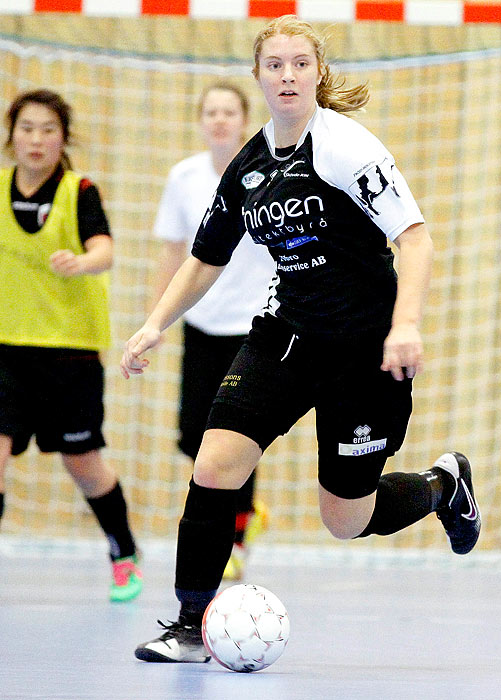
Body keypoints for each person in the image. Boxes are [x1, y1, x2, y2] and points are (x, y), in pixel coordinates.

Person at [125, 15, 481, 664]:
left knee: (344, 519)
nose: (287, 75)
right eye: (274, 65)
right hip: (286, 338)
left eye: (299, 64)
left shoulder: (347, 147)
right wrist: (155, 323)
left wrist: (405, 325)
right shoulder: (251, 165)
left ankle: (441, 486)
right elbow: (206, 257)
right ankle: (189, 624)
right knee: (214, 464)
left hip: (365, 354)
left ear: (318, 73)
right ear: (258, 76)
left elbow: (416, 238)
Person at [0, 89, 142, 602]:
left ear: (63, 138)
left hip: (69, 355)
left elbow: (104, 247)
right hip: (6, 350)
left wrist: (83, 261)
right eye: (27, 128)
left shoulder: (79, 191)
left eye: (48, 129)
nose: (36, 139)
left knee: (83, 464)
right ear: (11, 134)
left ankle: (123, 549)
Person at [152, 82, 276, 581]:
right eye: (211, 112)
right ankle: (237, 521)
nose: (220, 120)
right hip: (201, 326)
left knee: (237, 438)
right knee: (193, 438)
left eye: (229, 112)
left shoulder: (268, 173)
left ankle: (238, 538)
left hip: (252, 328)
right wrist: (154, 322)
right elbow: (172, 254)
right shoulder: (183, 177)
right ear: (201, 121)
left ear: (244, 119)